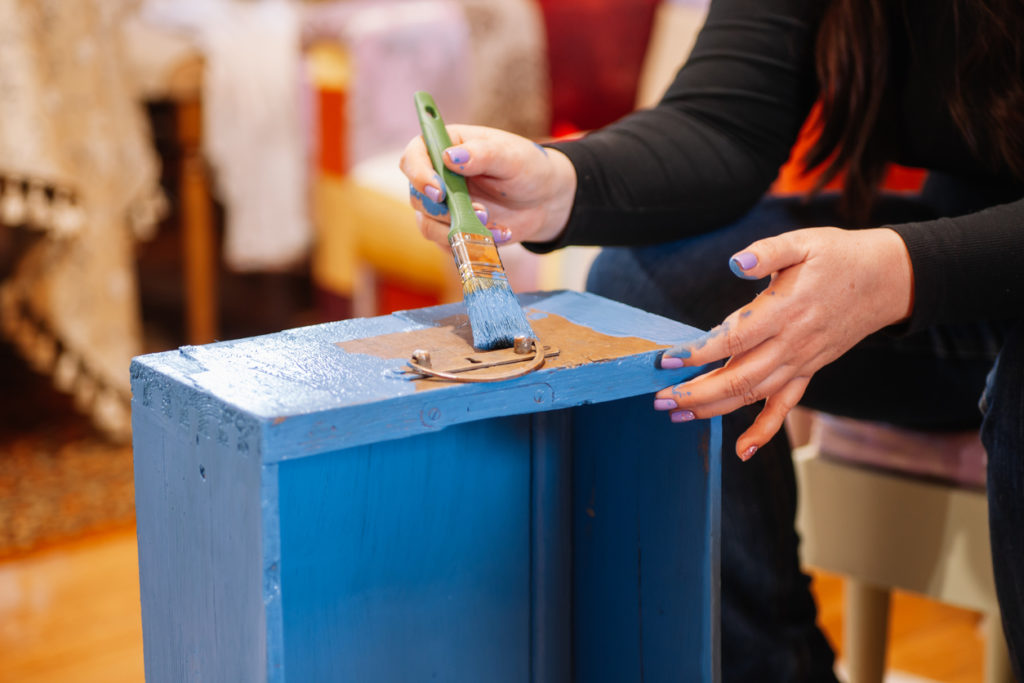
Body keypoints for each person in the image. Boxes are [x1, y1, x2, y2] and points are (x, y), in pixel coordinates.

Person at [400, 0, 1024, 680]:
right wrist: (559, 185)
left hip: (964, 273)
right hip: (961, 266)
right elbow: (724, 123)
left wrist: (909, 270)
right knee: (650, 290)